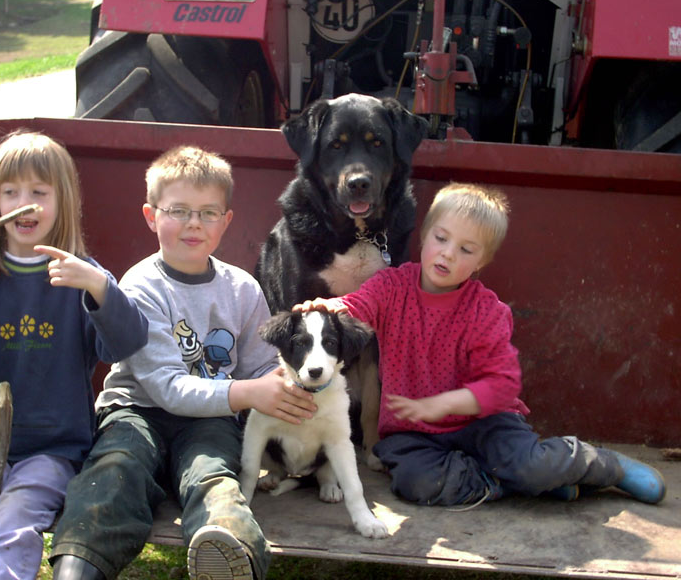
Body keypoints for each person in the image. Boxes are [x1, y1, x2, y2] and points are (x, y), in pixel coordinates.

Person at [296, 182, 665, 508]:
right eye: (441, 239)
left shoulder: (487, 311)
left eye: (466, 249)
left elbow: (499, 385)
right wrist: (331, 306)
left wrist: (448, 403)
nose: (448, 254)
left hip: (485, 422)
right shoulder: (392, 287)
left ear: (481, 263)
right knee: (416, 483)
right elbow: (359, 304)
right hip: (413, 429)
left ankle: (598, 465)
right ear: (424, 237)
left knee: (531, 462)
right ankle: (520, 485)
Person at [49, 145, 318, 580]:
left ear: (226, 221)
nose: (194, 223)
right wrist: (249, 393)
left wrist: (292, 388)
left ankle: (225, 547)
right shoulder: (141, 286)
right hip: (136, 412)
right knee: (115, 472)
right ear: (151, 216)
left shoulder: (243, 289)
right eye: (179, 210)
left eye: (209, 213)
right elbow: (166, 388)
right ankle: (80, 565)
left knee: (213, 474)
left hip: (210, 418)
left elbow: (260, 368)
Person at [0, 131, 150, 580]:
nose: (24, 202)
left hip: (52, 448)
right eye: (11, 191)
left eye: (39, 192)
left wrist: (99, 289)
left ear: (64, 200)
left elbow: (124, 346)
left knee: (16, 519)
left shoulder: (82, 275)